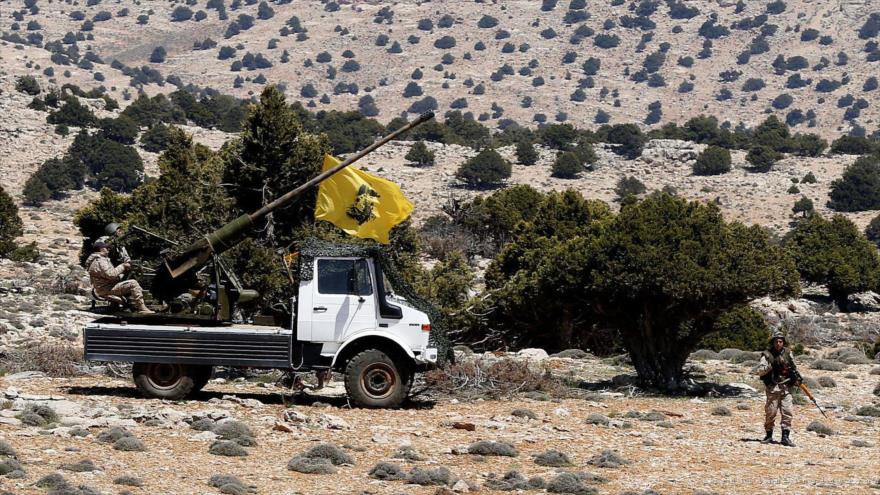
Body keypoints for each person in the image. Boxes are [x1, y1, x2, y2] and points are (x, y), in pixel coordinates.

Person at [753, 332, 801, 447]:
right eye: (776, 341)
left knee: (787, 412)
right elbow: (760, 371)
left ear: (783, 342)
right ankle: (769, 435)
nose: (778, 344)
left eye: (780, 341)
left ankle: (785, 437)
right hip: (773, 387)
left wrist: (796, 377)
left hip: (786, 387)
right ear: (773, 342)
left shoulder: (788, 353)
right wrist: (771, 366)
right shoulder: (767, 355)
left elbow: (793, 367)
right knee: (771, 412)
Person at [86, 240, 153, 314]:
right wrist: (123, 266)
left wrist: (122, 273)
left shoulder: (95, 260)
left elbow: (106, 276)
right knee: (133, 283)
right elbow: (111, 274)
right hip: (107, 289)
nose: (108, 249)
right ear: (101, 249)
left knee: (126, 280)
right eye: (106, 247)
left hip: (103, 288)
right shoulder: (100, 261)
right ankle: (142, 308)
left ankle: (125, 306)